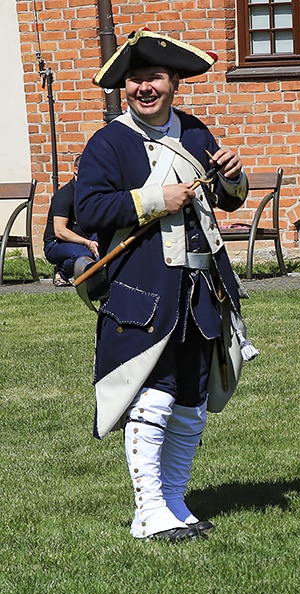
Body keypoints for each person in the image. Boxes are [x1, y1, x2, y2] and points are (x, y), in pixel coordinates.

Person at [75, 30, 251, 541]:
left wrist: (234, 177)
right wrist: (154, 199)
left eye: (154, 77)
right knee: (152, 397)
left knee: (193, 401)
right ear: (124, 88)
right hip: (145, 288)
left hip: (201, 288)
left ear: (175, 82)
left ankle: (175, 500)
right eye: (135, 80)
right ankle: (148, 509)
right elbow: (88, 210)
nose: (144, 88)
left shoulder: (195, 132)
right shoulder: (108, 141)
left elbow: (228, 199)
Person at [42, 155, 100, 286]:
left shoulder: (91, 193)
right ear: (76, 170)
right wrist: (87, 243)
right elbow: (60, 231)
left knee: (104, 245)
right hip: (57, 243)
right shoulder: (64, 195)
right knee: (84, 255)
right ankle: (61, 273)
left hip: (86, 238)